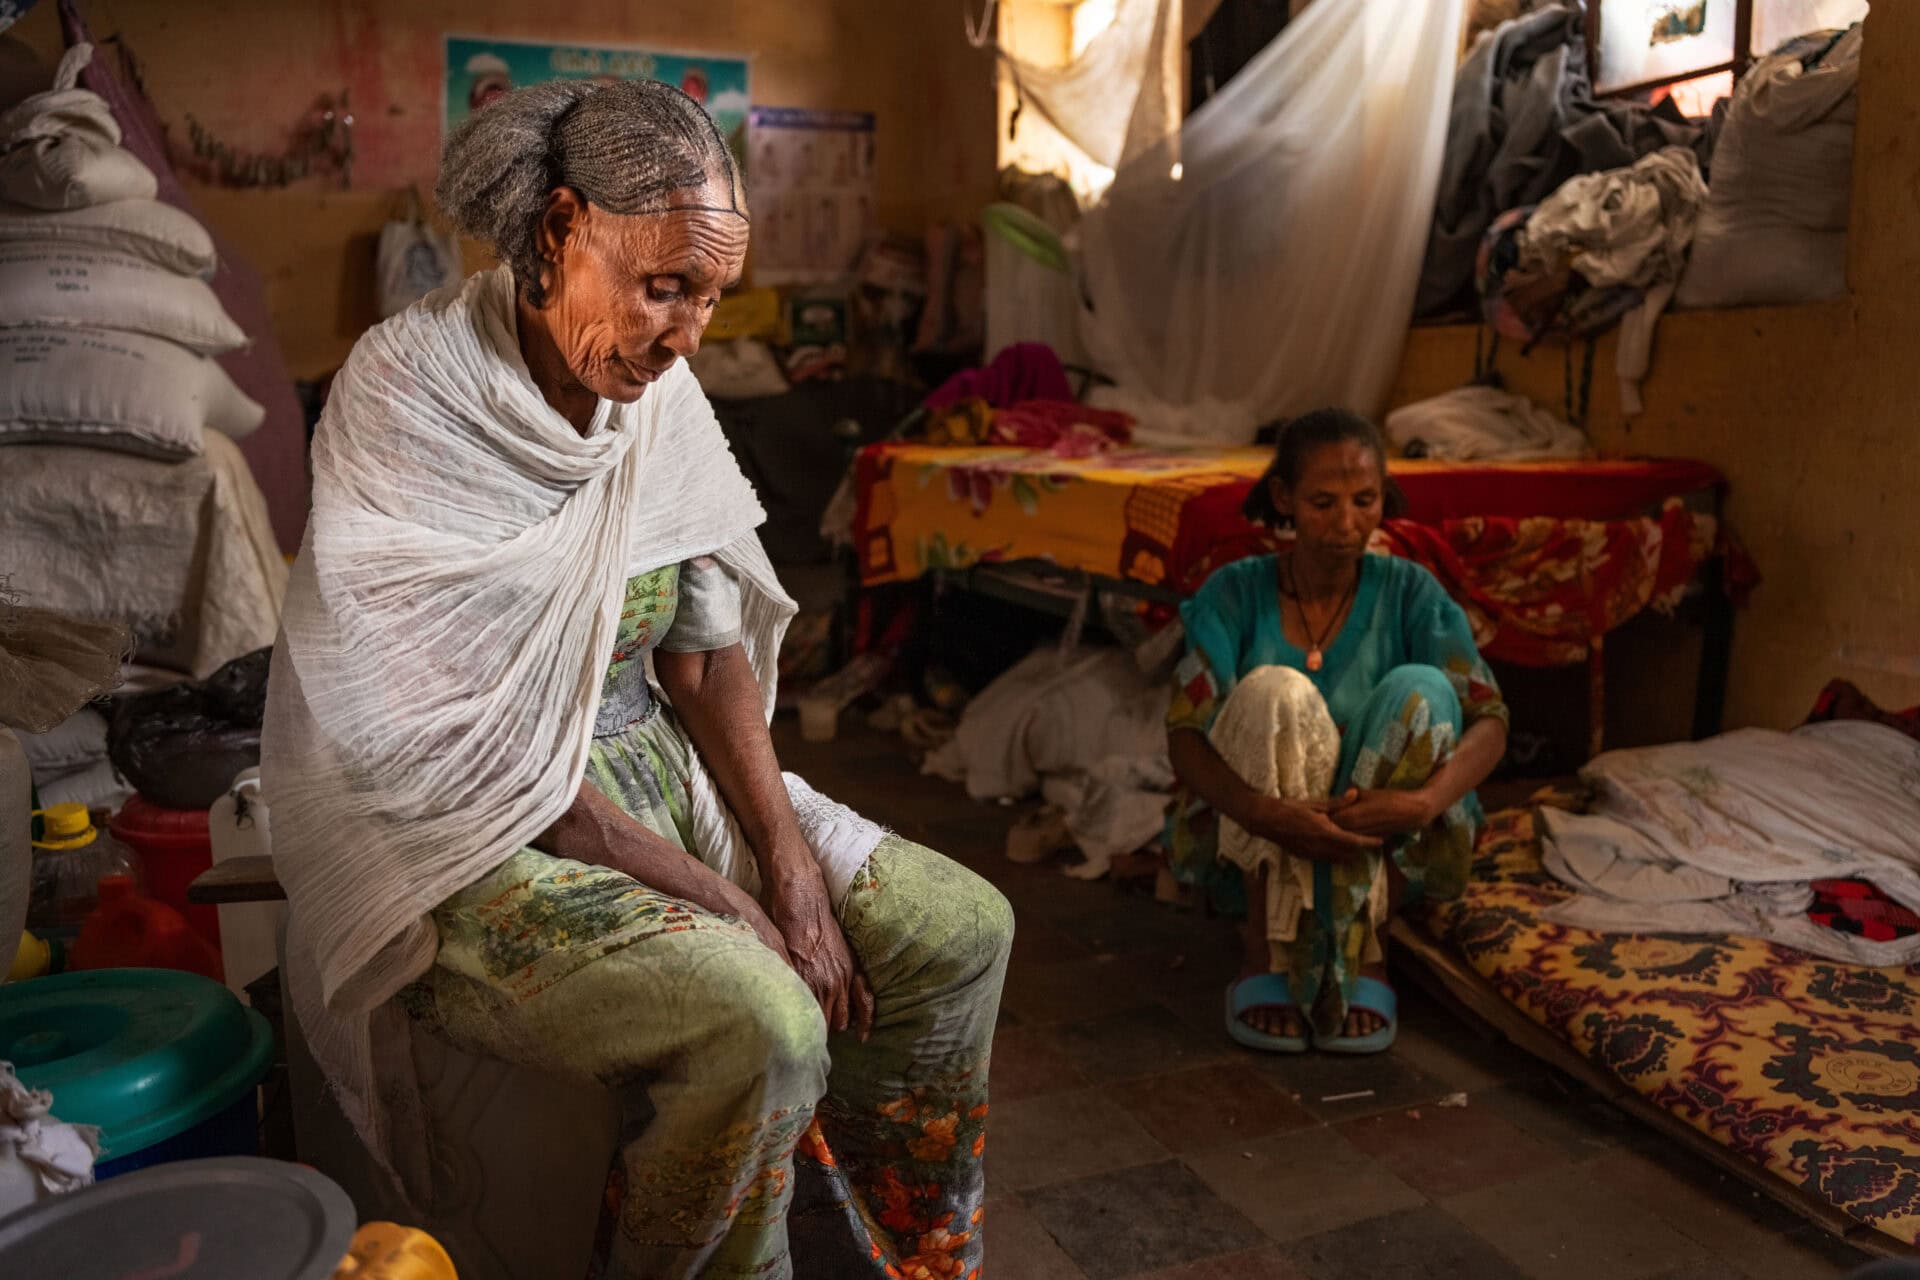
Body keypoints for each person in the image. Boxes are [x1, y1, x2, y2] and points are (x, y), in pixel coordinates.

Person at [262, 78, 1011, 1280]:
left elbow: (707, 659)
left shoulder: (655, 400)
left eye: (708, 299)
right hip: (468, 826)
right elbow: (487, 755)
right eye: (664, 288)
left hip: (642, 762)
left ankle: (896, 1255)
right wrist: (729, 908)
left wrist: (792, 875)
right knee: (758, 1014)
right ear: (560, 230)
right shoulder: (408, 396)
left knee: (960, 930)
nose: (686, 337)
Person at [1165, 409, 1508, 1053]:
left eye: (1365, 500)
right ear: (1284, 498)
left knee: (1425, 688)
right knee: (1273, 690)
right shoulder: (1233, 594)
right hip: (1263, 827)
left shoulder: (1412, 593)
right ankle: (1266, 949)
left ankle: (1367, 948)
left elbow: (1489, 720)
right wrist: (1264, 813)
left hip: (1379, 834)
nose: (1346, 524)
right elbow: (1184, 733)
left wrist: (1423, 803)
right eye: (1322, 502)